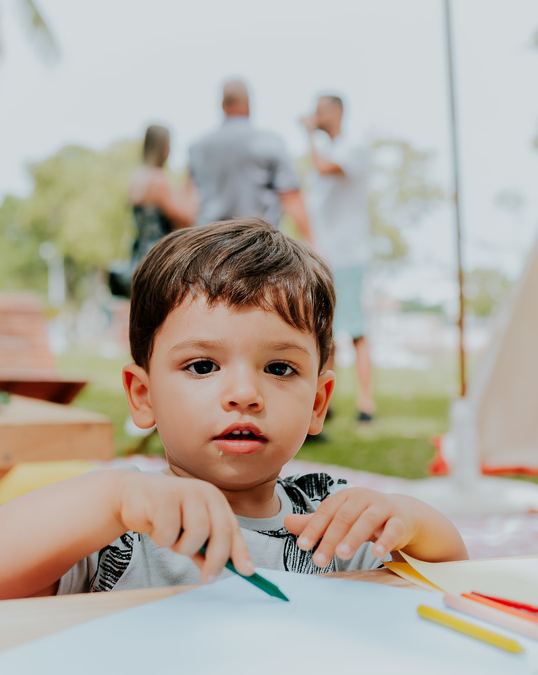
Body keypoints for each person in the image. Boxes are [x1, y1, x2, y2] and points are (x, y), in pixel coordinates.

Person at [0, 219, 468, 599]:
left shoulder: (332, 524)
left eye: (279, 369)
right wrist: (113, 499)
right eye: (204, 366)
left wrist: (414, 519)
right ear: (143, 396)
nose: (244, 394)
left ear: (318, 403)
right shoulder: (122, 524)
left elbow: (453, 577)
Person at [302, 94, 375, 423]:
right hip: (326, 253)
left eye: (320, 111)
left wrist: (307, 134)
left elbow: (324, 168)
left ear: (338, 112)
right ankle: (325, 404)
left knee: (356, 330)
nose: (316, 116)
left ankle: (365, 403)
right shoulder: (330, 149)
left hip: (348, 253)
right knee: (326, 330)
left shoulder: (352, 147)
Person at [189, 80, 314, 244]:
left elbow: (190, 203)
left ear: (222, 105)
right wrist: (312, 242)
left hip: (210, 246)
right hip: (258, 249)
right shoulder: (269, 141)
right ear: (248, 105)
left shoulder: (198, 147)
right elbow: (290, 197)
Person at [111, 124, 197, 298]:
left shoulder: (137, 179)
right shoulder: (158, 180)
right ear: (164, 148)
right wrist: (190, 182)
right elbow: (186, 217)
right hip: (159, 260)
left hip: (138, 257)